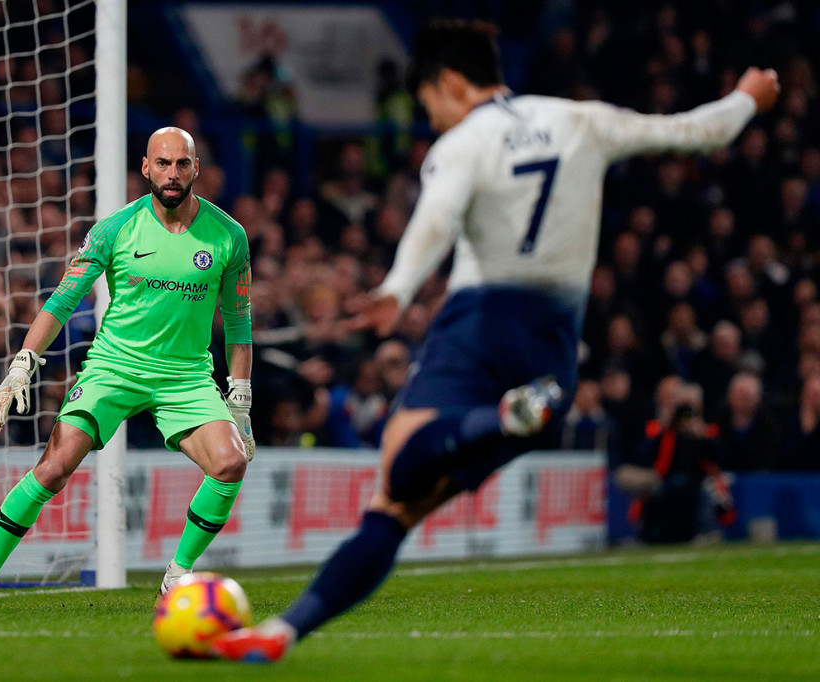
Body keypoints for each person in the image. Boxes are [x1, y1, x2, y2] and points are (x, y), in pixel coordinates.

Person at [212, 19, 779, 661]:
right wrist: (747, 98)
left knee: (396, 479)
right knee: (400, 506)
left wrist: (397, 291)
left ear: (450, 83)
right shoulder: (581, 119)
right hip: (553, 344)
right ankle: (282, 633)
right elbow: (695, 131)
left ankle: (496, 418)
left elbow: (437, 218)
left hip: (480, 323)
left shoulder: (462, 145)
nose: (431, 117)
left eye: (428, 102)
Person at [0, 127, 255, 610]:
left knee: (231, 462)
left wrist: (240, 400)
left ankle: (178, 575)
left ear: (195, 168)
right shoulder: (116, 228)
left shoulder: (229, 236)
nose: (171, 174)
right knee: (53, 468)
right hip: (115, 366)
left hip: (186, 376)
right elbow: (64, 300)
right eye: (162, 164)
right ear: (145, 167)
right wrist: (23, 363)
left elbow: (239, 323)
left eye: (181, 164)